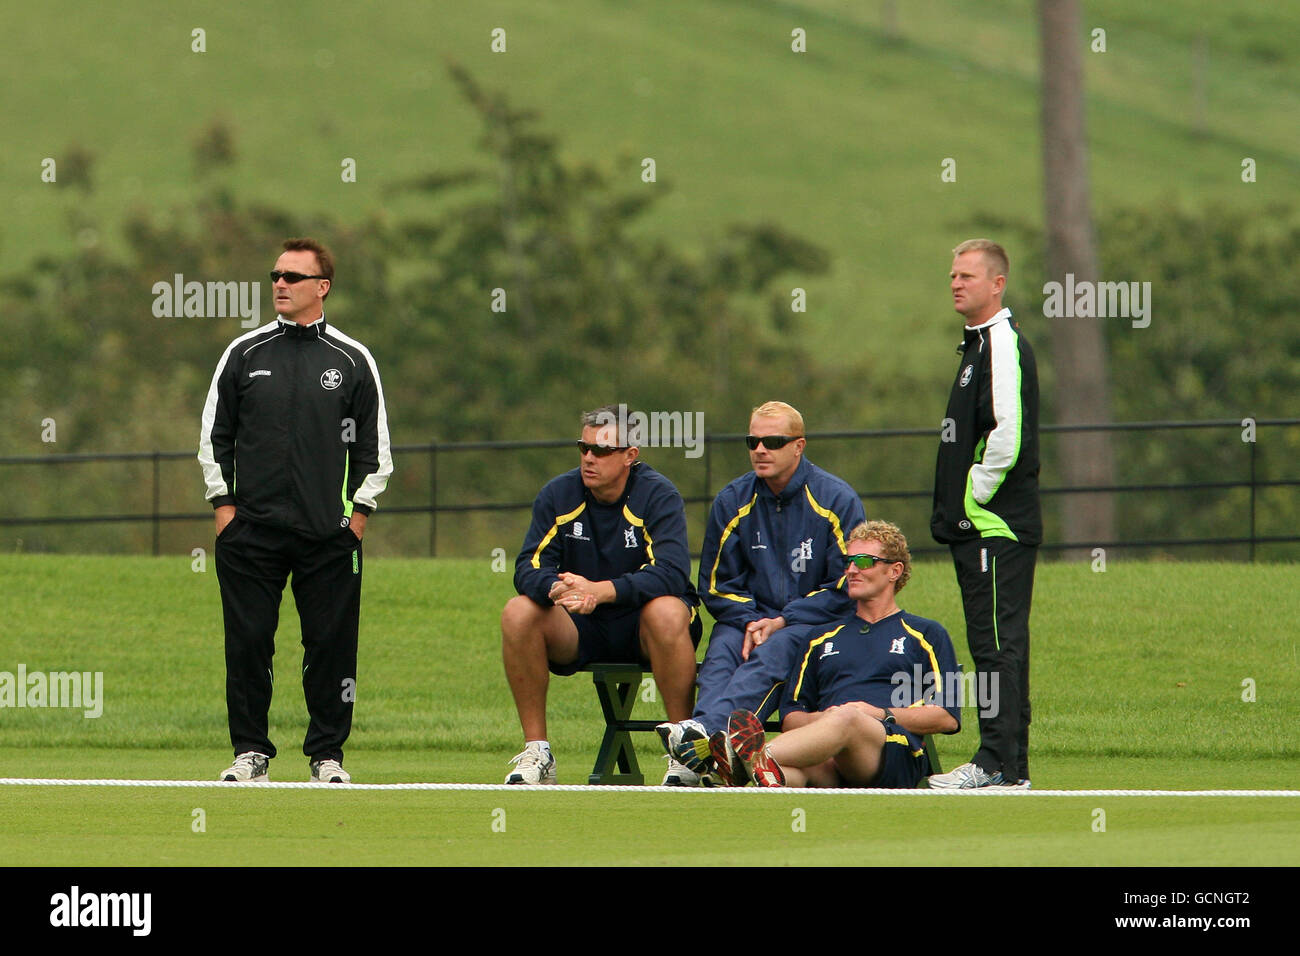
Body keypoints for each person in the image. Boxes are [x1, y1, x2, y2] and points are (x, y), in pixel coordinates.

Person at [198, 238, 393, 784]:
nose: (280, 284)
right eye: (275, 275)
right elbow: (215, 437)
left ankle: (327, 755)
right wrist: (224, 508)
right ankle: (250, 752)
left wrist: (356, 519)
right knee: (249, 640)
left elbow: (375, 451)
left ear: (321, 287)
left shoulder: (353, 360)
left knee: (331, 644)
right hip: (250, 532)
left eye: (293, 277)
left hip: (328, 536)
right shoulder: (244, 353)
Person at [657, 401, 864, 782]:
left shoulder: (837, 500)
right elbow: (717, 587)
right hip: (749, 619)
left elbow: (845, 586)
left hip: (816, 622)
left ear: (798, 446)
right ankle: (703, 752)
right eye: (752, 441)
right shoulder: (732, 500)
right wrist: (755, 620)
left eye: (772, 441)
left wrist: (783, 620)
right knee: (723, 650)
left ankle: (704, 738)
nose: (760, 450)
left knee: (777, 648)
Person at [502, 405, 702, 785]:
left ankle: (683, 750)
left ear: (630, 455)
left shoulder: (659, 496)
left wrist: (603, 591)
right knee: (518, 612)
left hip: (644, 626)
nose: (590, 458)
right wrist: (558, 588)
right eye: (584, 447)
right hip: (581, 626)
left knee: (667, 611)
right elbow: (528, 566)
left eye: (603, 450)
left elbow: (673, 572)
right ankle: (537, 752)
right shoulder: (559, 494)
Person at [715, 521, 961, 788]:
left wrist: (875, 713)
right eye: (849, 561)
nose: (852, 570)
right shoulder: (819, 637)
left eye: (865, 561)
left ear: (894, 571)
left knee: (849, 718)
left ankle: (736, 762)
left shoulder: (925, 633)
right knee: (787, 772)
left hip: (894, 751)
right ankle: (755, 770)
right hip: (828, 760)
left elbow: (946, 716)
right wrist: (828, 719)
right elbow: (791, 717)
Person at [928, 239, 1040, 790]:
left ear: (998, 284)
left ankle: (995, 763)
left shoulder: (1000, 345)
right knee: (998, 643)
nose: (955, 282)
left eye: (968, 275)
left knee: (996, 645)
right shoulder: (975, 346)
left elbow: (1008, 435)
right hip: (983, 528)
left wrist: (973, 496)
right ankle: (1009, 768)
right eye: (952, 274)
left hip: (994, 528)